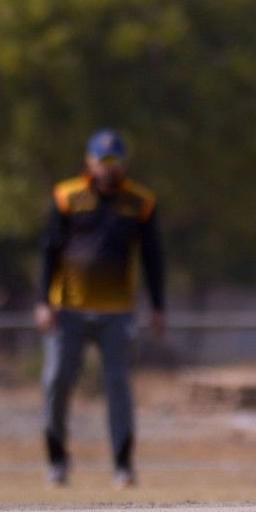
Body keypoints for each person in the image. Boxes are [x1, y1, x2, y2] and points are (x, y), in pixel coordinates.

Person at [34, 129, 165, 488]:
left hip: (117, 311)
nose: (109, 167)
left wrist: (158, 306)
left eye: (115, 160)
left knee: (119, 386)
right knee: (57, 381)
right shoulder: (66, 196)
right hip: (68, 309)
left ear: (124, 163)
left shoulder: (140, 202)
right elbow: (49, 251)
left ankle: (123, 465)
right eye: (102, 161)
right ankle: (57, 462)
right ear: (89, 162)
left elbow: (153, 256)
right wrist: (43, 301)